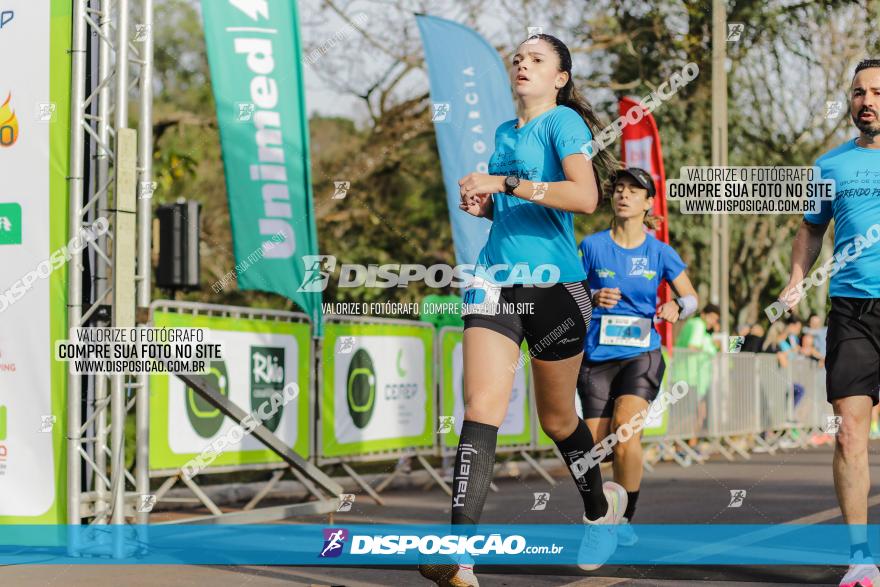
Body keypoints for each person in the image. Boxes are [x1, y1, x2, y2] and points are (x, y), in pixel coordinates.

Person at [419, 33, 622, 586]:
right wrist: (487, 206)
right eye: (518, 59)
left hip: (557, 288)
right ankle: (460, 557)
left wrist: (505, 181)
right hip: (494, 280)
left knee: (556, 419)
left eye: (536, 60)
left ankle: (600, 510)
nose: (521, 65)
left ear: (560, 77)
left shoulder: (564, 125)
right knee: (480, 406)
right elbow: (516, 213)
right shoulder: (506, 131)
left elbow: (584, 199)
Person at [777, 59, 880, 587]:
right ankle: (861, 558)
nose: (868, 100)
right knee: (848, 437)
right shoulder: (830, 165)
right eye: (860, 91)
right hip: (852, 310)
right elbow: (811, 229)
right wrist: (797, 278)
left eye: (878, 91)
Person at [577, 167, 698, 547]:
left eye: (634, 191)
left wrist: (678, 307)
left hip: (641, 355)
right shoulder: (592, 246)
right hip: (596, 357)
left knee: (626, 434)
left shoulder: (660, 251)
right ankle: (603, 509)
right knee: (596, 450)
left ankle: (623, 517)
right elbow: (570, 294)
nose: (624, 195)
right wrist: (592, 297)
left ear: (648, 203)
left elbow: (692, 297)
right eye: (619, 190)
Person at [674, 303, 721, 446]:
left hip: (699, 381)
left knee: (699, 414)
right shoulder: (698, 325)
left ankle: (690, 446)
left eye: (716, 319)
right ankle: (680, 447)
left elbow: (720, 350)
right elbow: (692, 347)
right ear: (703, 314)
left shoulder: (705, 332)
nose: (713, 321)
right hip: (687, 377)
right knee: (687, 415)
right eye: (711, 317)